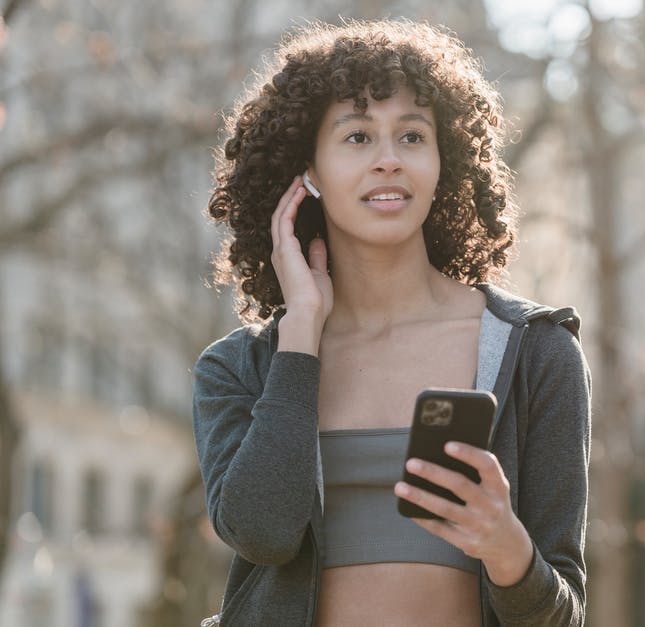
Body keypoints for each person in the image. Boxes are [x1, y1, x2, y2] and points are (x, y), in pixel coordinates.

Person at [191, 19, 590, 627]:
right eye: (356, 137)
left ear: (442, 161)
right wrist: (300, 338)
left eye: (411, 136)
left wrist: (505, 543)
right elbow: (261, 533)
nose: (388, 161)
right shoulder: (239, 367)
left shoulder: (536, 353)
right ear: (310, 173)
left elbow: (560, 615)